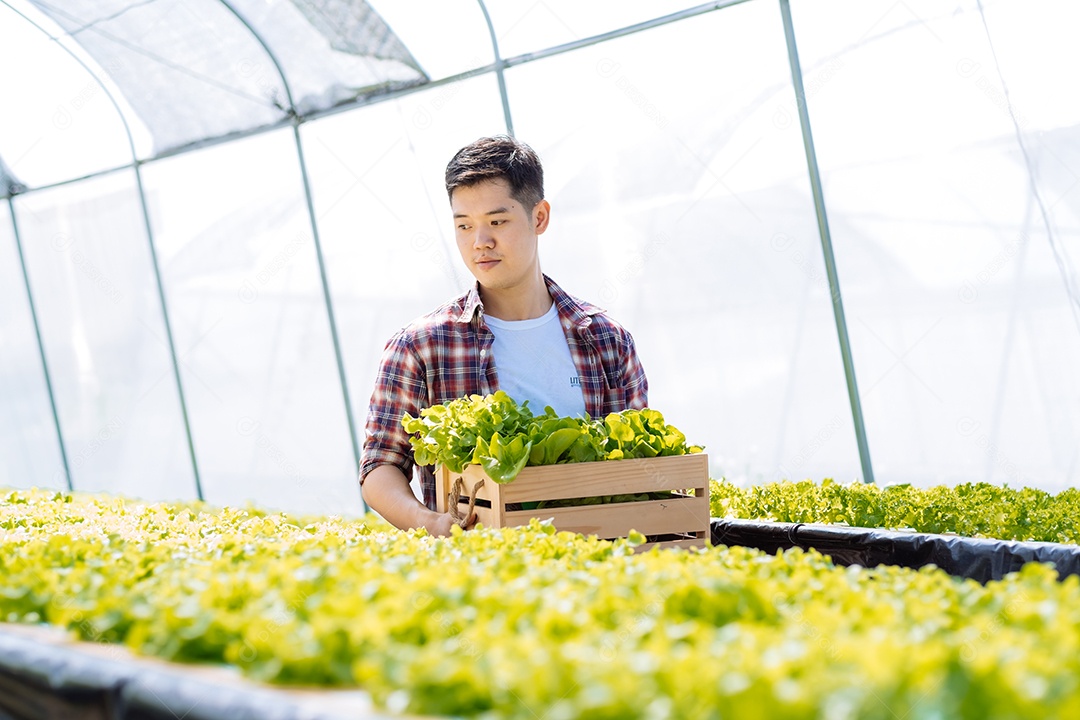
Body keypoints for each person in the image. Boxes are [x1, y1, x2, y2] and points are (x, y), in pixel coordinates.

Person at [359, 135, 648, 535]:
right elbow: (380, 466)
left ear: (539, 217)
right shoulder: (421, 346)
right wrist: (430, 523)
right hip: (479, 579)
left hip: (593, 567)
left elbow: (635, 468)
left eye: (497, 222)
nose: (480, 242)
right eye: (464, 225)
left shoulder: (606, 341)